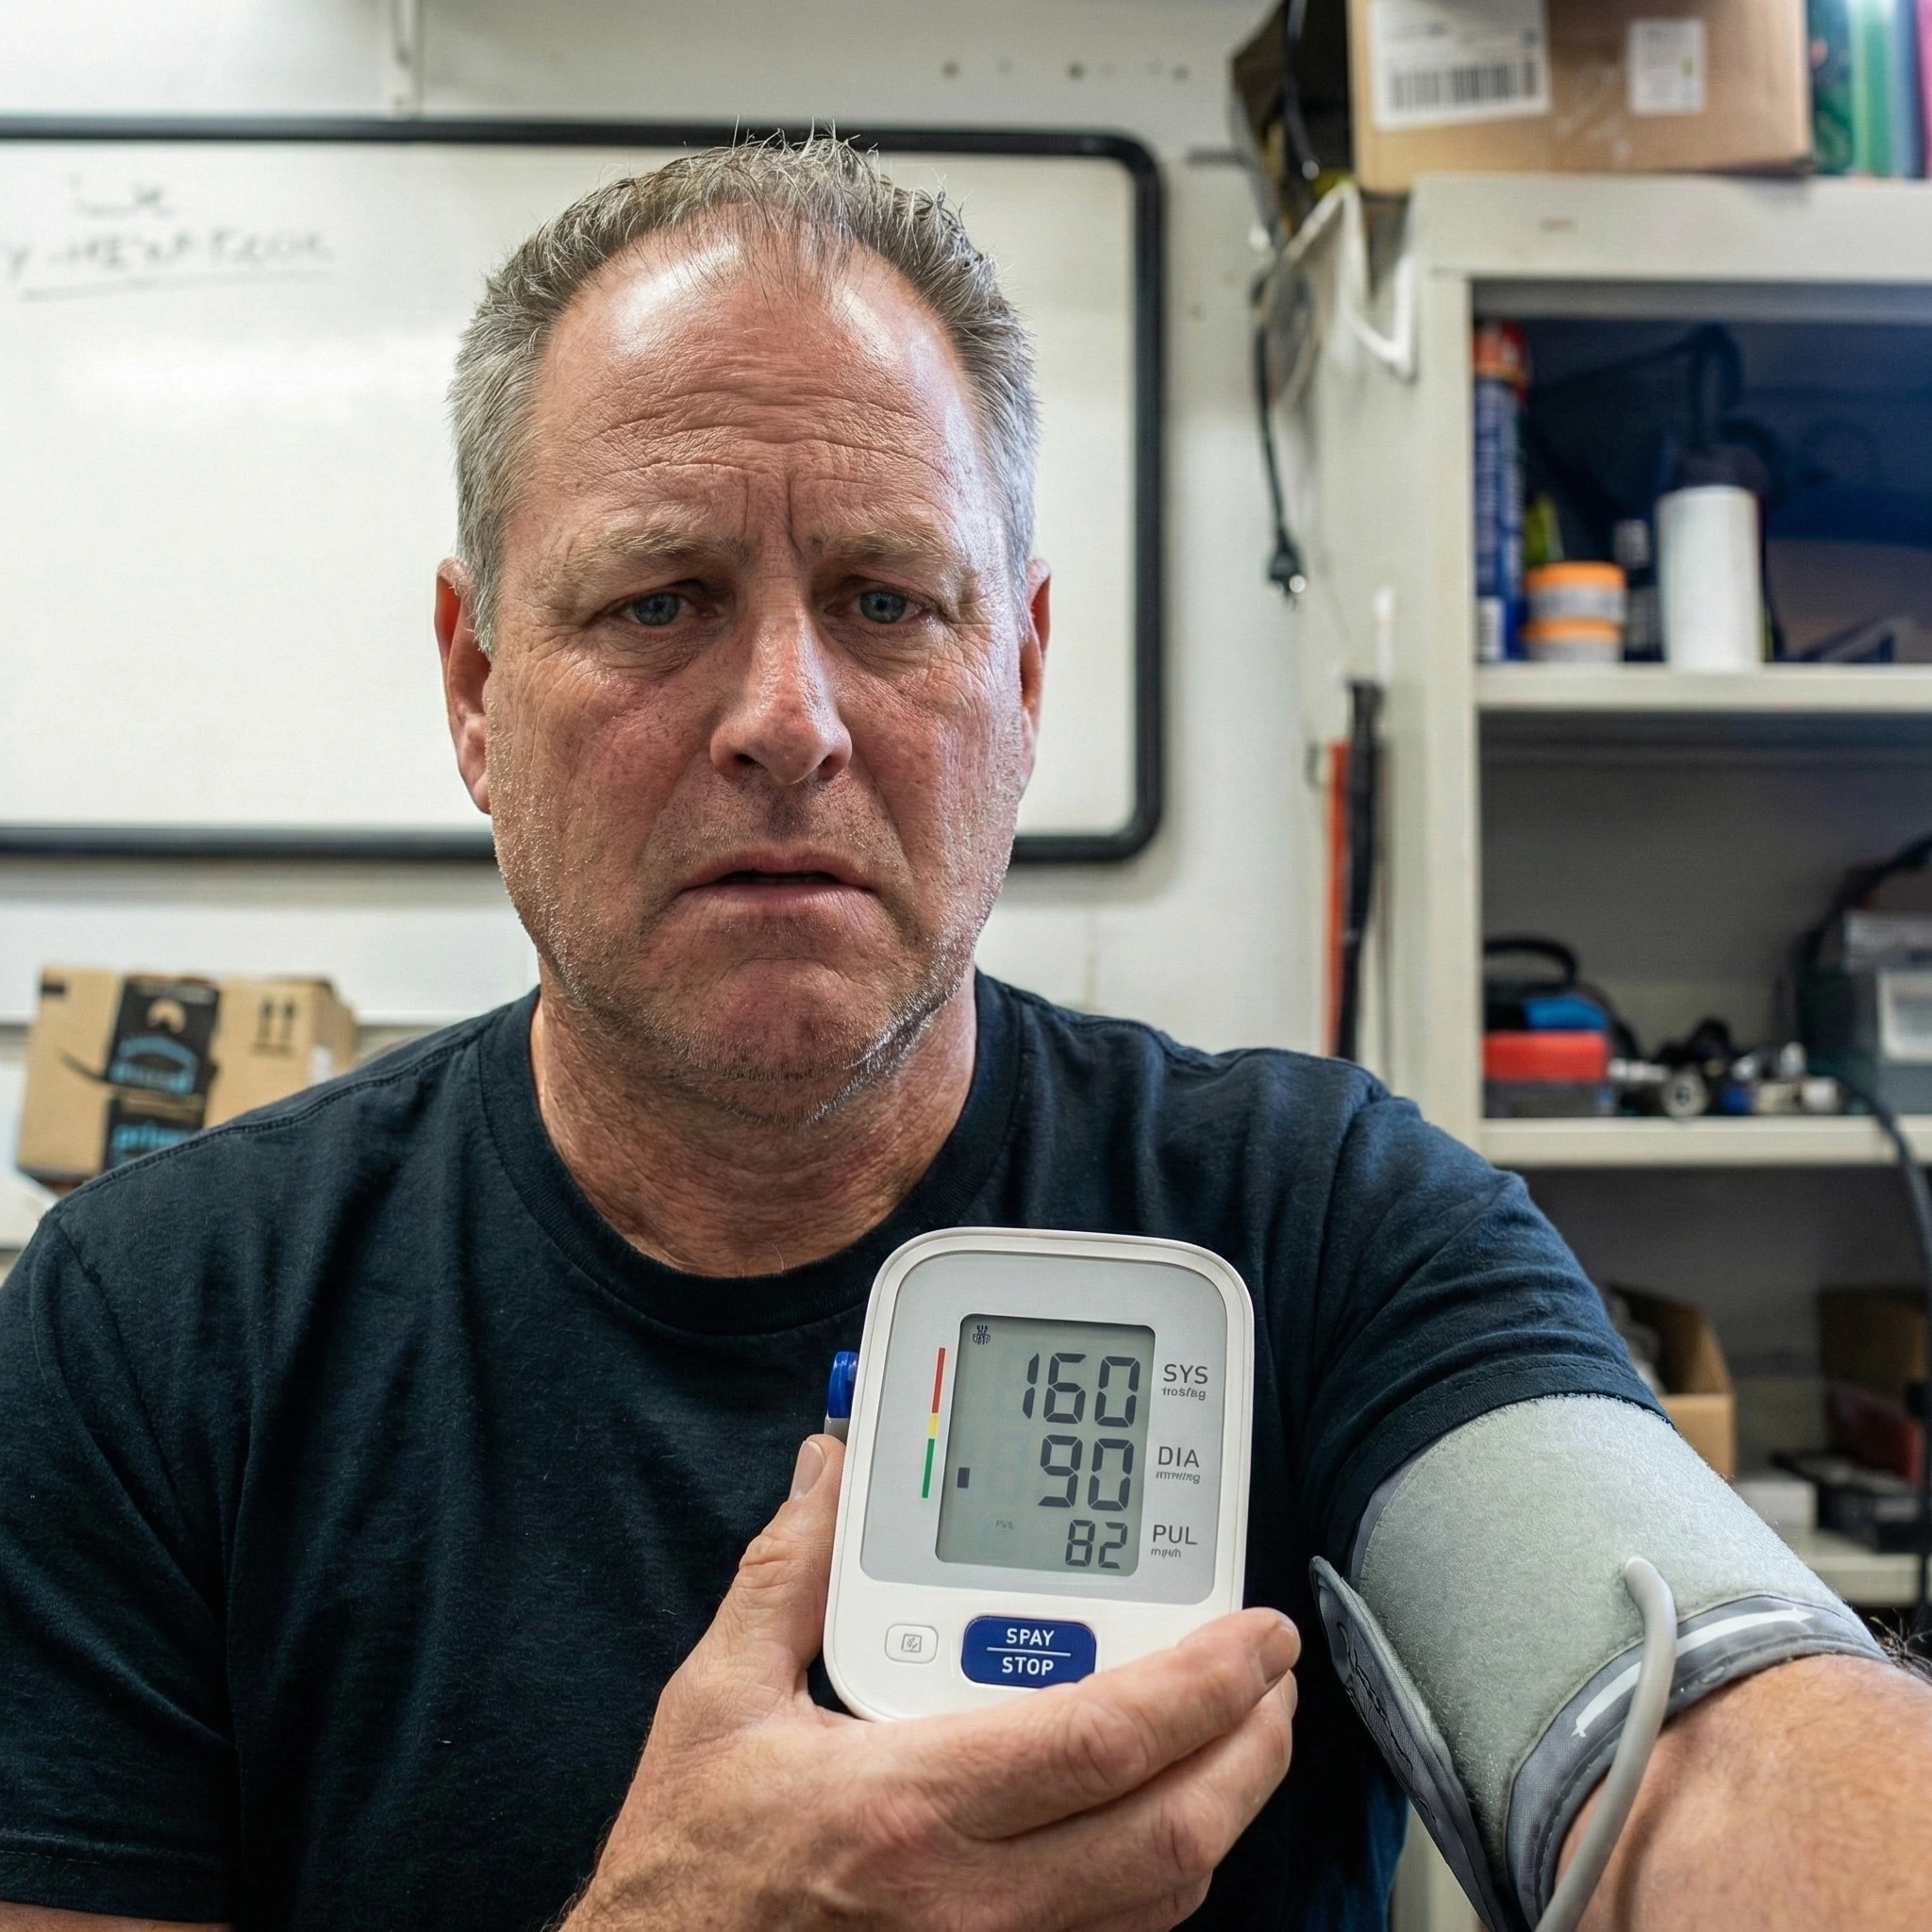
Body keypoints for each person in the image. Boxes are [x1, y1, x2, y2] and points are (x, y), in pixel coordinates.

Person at [1, 140, 1928, 1932]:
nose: (787, 716)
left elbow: (1702, 1748)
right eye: (660, 598)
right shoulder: (149, 1330)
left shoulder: (1328, 1226)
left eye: (887, 601)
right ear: (476, 684)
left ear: (1018, 671)